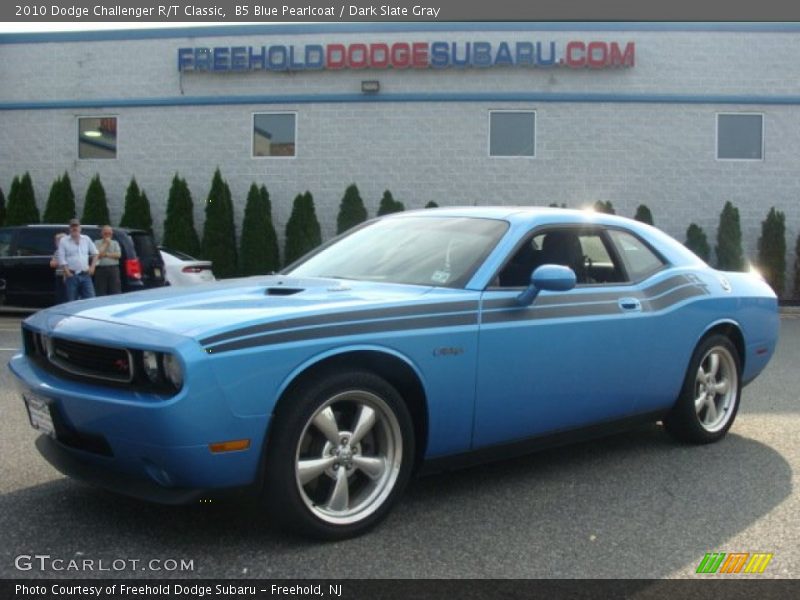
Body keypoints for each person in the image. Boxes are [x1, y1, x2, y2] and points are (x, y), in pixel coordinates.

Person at [57, 218, 98, 301]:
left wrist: (92, 267)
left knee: (91, 300)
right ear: (69, 228)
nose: (74, 228)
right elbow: (61, 257)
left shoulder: (86, 239)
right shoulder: (63, 241)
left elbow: (95, 253)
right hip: (72, 275)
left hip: (86, 275)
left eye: (76, 226)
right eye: (72, 226)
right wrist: (67, 272)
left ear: (80, 228)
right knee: (72, 301)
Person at [93, 225, 122, 295]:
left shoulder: (115, 243)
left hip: (113, 269)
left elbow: (118, 255)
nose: (108, 235)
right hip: (100, 269)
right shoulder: (97, 242)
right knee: (101, 291)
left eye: (109, 233)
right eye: (106, 233)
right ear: (102, 234)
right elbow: (98, 255)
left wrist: (106, 254)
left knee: (115, 290)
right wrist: (106, 243)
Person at [49, 232, 67, 304]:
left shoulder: (67, 251)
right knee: (59, 294)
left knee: (66, 294)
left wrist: (57, 262)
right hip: (58, 275)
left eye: (58, 240)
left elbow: (66, 263)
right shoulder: (57, 252)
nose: (56, 242)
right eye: (56, 241)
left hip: (65, 276)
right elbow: (52, 263)